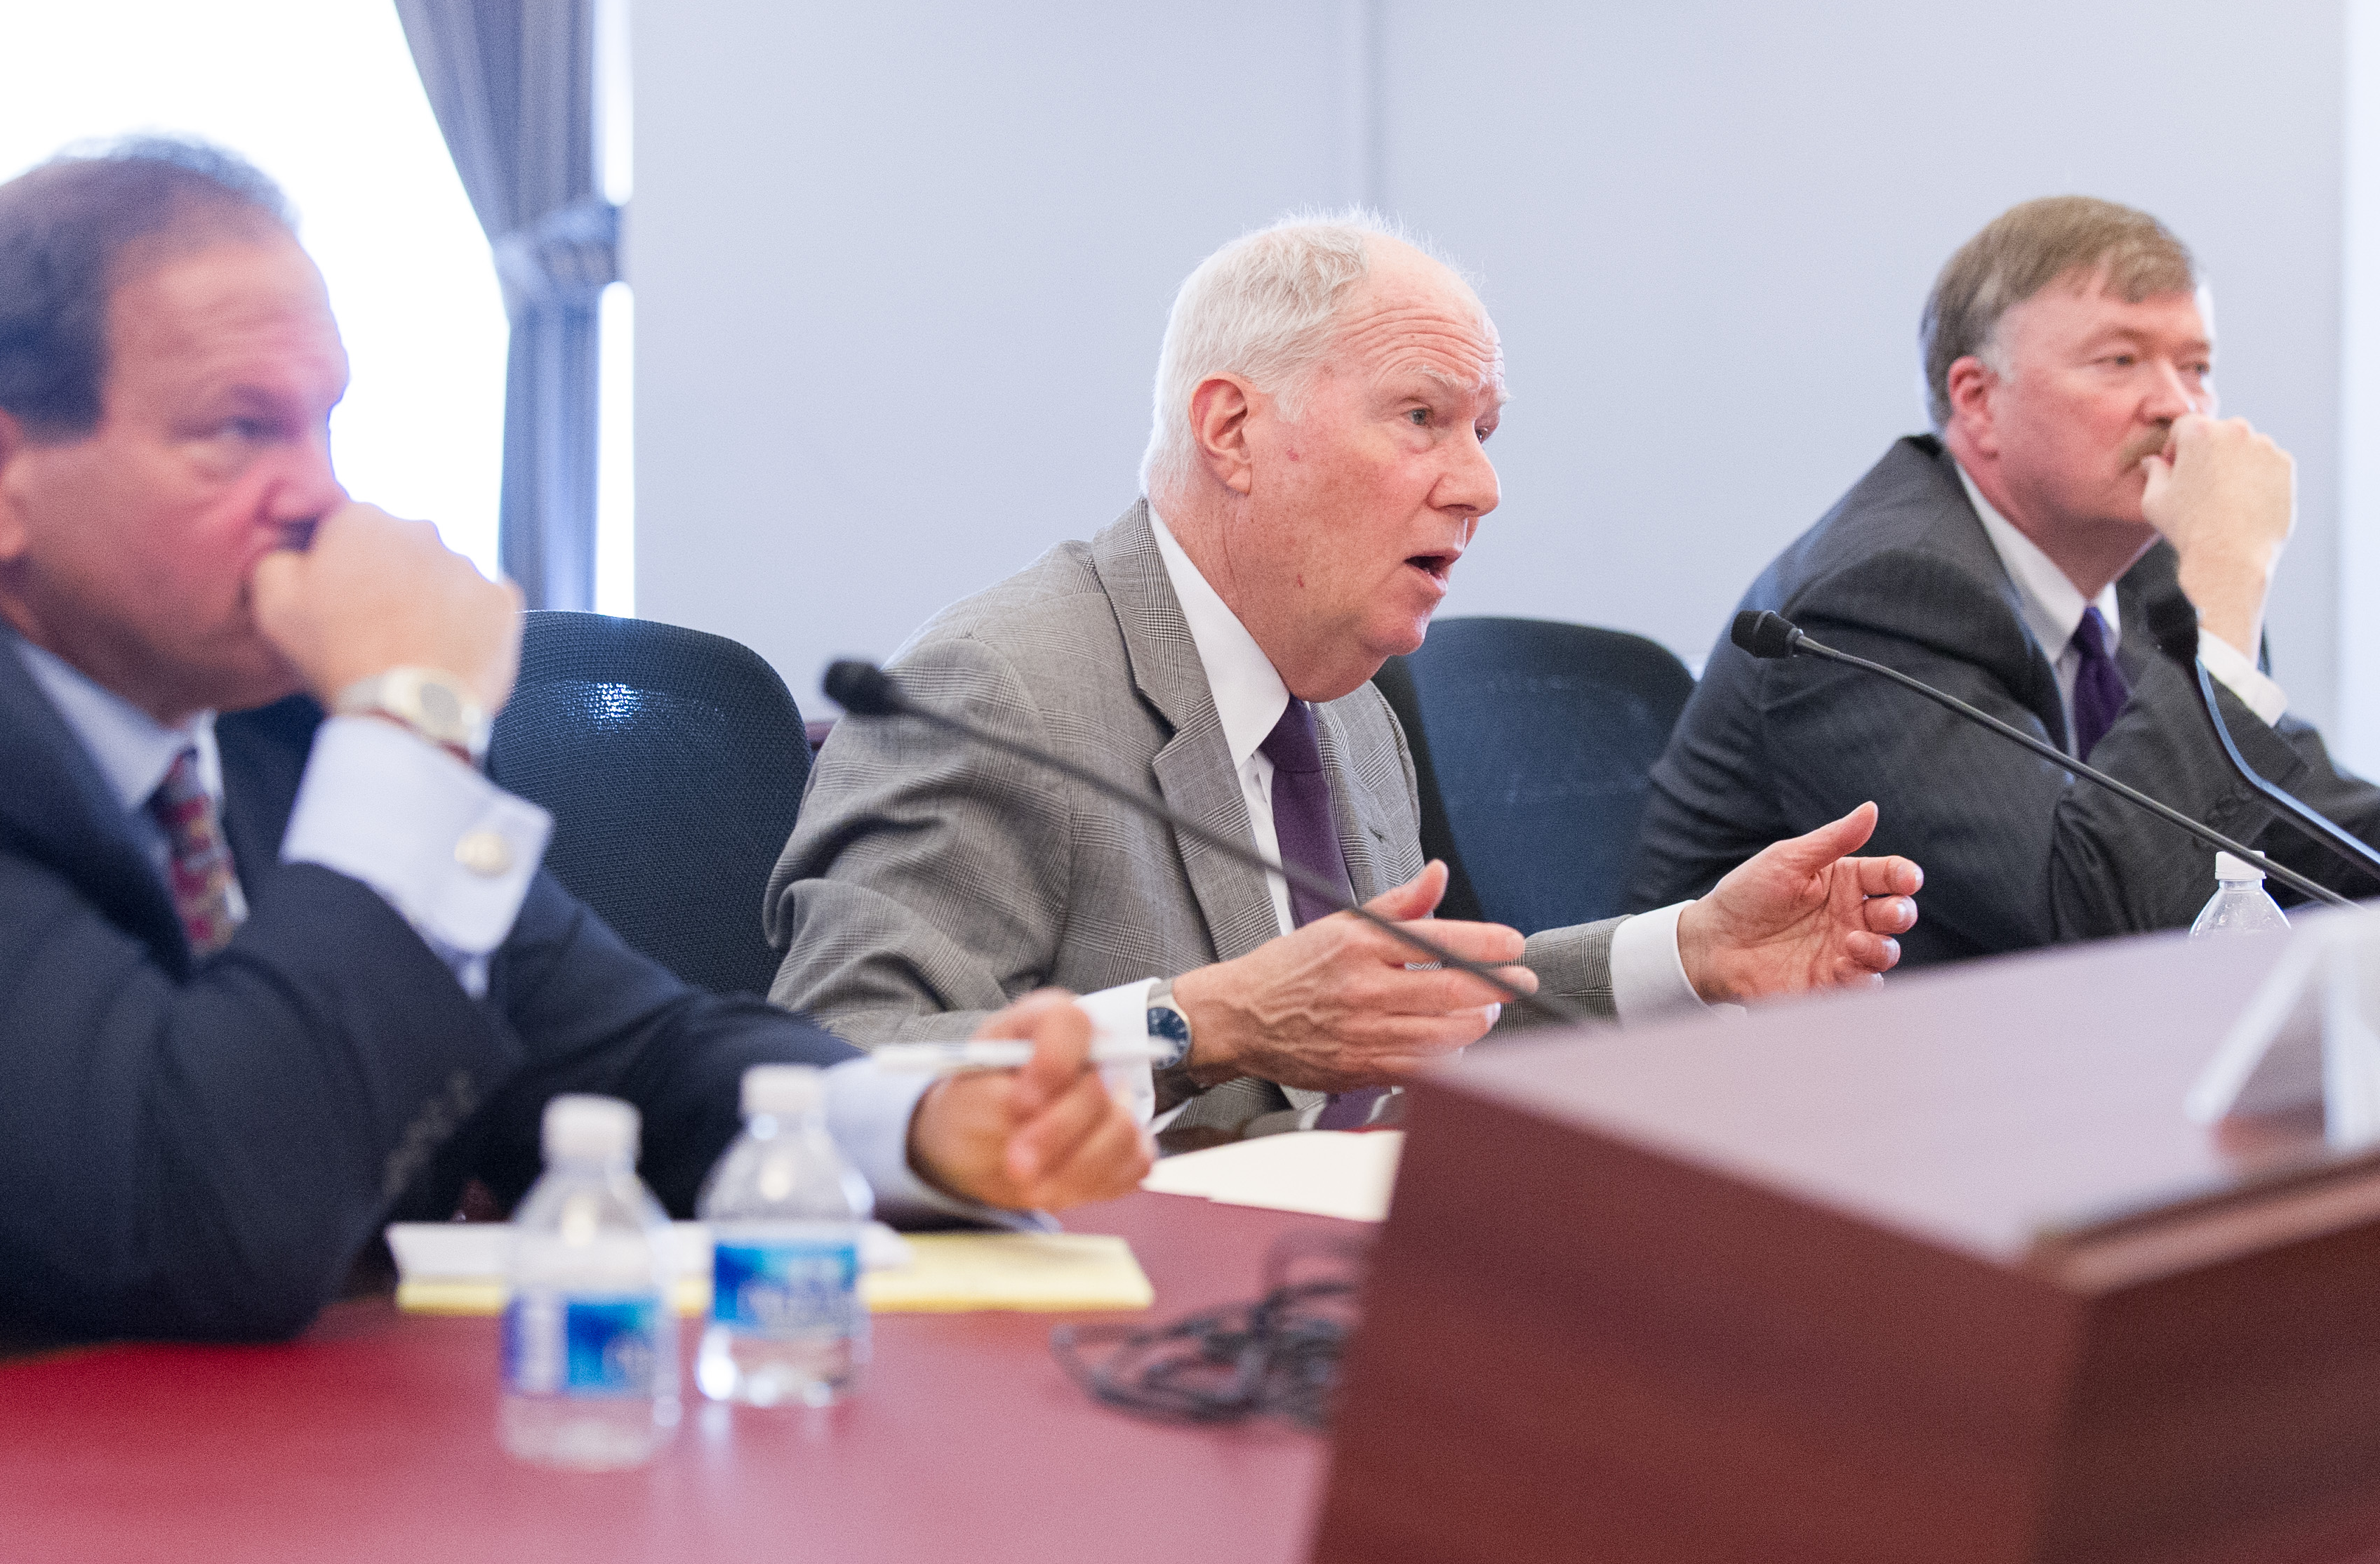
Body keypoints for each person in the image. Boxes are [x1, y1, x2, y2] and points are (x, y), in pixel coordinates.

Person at [0, 140, 1145, 1403]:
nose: (319, 497)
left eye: (323, 422)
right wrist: (406, 726)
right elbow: (213, 1220)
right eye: (239, 430)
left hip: (265, 1505)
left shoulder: (257, 715)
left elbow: (628, 1052)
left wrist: (922, 1124)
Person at [767, 214, 1922, 1144]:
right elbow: (834, 1072)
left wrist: (1692, 955)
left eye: (1485, 431)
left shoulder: (1352, 707)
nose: (1480, 486)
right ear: (1231, 431)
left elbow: (1390, 1025)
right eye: (1422, 418)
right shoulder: (1000, 689)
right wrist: (1205, 1024)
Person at [1625, 195, 2380, 965]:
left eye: (2197, 368)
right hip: (1774, 1128)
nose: (2175, 407)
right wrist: (2230, 581)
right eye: (2119, 362)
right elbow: (2091, 920)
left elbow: (2278, 806)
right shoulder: (1881, 594)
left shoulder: (2152, 577)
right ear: (1977, 401)